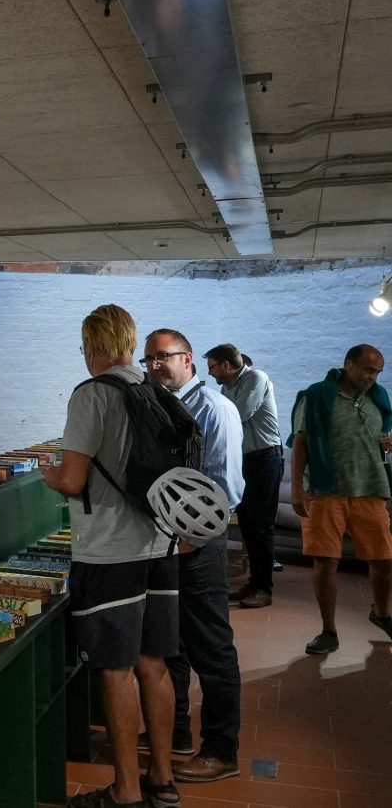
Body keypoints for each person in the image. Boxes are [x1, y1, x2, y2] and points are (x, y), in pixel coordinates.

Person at [43, 305, 181, 808]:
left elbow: (74, 479)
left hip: (108, 552)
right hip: (160, 543)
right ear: (129, 341)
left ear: (90, 345)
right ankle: (163, 780)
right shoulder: (156, 390)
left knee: (116, 668)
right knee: (154, 663)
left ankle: (125, 791)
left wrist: (49, 476)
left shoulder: (92, 395)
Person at [145, 330, 244, 784]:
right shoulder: (161, 404)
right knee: (175, 643)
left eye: (162, 358)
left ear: (188, 359)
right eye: (148, 360)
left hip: (199, 545)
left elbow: (226, 489)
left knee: (211, 647)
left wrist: (193, 539)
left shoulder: (216, 409)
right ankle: (178, 732)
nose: (154, 366)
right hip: (169, 543)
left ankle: (222, 751)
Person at [290, 344, 392, 654]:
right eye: (367, 370)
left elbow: (378, 440)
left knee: (384, 558)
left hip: (370, 487)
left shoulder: (378, 398)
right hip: (326, 489)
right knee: (326, 562)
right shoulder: (317, 396)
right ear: (349, 364)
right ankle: (328, 630)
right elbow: (301, 442)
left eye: (377, 372)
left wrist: (386, 445)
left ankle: (382, 613)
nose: (372, 377)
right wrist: (297, 488)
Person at [206, 343, 282, 608]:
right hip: (244, 459)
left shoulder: (256, 378)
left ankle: (264, 588)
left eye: (213, 367)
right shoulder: (226, 387)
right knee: (248, 524)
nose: (211, 373)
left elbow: (239, 414)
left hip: (265, 458)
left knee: (260, 526)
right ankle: (254, 583)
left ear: (227, 365)